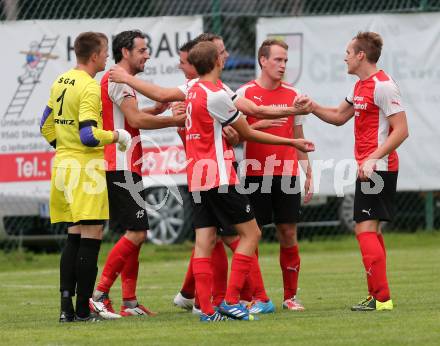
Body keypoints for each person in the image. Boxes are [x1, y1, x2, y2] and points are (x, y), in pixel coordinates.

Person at [184, 41, 315, 321]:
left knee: (205, 240)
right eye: (222, 54)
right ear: (216, 62)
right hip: (222, 175)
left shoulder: (192, 90)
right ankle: (233, 300)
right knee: (251, 234)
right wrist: (291, 139)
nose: (226, 56)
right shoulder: (218, 94)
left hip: (197, 176)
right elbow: (247, 133)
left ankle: (208, 310)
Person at [308, 31, 409, 311]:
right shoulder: (359, 86)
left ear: (361, 55)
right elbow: (339, 116)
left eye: (349, 53)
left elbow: (401, 131)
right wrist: (313, 107)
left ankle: (381, 298)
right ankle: (379, 296)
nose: (345, 57)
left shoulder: (383, 86)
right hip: (368, 167)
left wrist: (373, 158)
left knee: (364, 229)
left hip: (379, 168)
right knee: (370, 230)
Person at [89, 30, 186, 319]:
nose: (147, 55)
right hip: (120, 164)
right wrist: (172, 119)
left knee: (134, 234)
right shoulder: (120, 79)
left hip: (126, 164)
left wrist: (154, 109)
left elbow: (128, 115)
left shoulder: (121, 82)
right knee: (137, 232)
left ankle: (129, 302)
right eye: (142, 50)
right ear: (125, 52)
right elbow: (134, 119)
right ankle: (99, 295)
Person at [39, 31, 131, 322]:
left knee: (74, 236)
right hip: (84, 170)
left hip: (62, 167)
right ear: (94, 56)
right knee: (92, 237)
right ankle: (83, 311)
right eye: (105, 52)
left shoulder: (61, 80)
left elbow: (45, 125)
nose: (107, 57)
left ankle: (67, 310)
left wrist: (64, 148)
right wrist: (118, 135)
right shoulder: (90, 87)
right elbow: (89, 136)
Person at [237, 38, 314, 314]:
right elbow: (234, 134)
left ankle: (290, 296)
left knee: (288, 233)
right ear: (263, 60)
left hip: (287, 174)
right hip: (256, 175)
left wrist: (308, 173)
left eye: (285, 61)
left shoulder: (295, 96)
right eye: (278, 60)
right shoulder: (244, 93)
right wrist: (260, 123)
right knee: (251, 235)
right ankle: (253, 296)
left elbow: (299, 138)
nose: (282, 66)